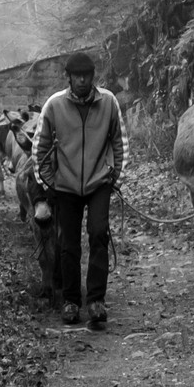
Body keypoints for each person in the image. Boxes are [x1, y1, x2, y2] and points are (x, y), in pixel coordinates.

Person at [33, 51, 127, 329]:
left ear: (92, 76)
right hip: (67, 186)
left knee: (99, 235)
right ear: (69, 78)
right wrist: (50, 182)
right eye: (77, 76)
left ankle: (96, 300)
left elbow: (120, 142)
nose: (82, 80)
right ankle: (71, 301)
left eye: (86, 75)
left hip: (99, 183)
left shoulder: (108, 102)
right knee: (68, 243)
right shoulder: (54, 105)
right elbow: (39, 149)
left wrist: (114, 177)